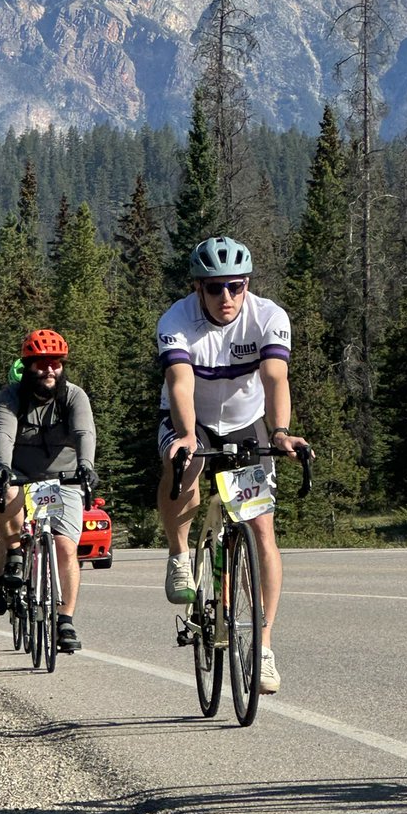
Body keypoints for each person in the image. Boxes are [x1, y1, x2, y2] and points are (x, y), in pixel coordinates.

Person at [155, 235, 312, 695]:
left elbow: (274, 377)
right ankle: (180, 554)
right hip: (190, 419)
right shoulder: (177, 321)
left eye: (236, 287)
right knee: (185, 467)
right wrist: (186, 437)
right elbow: (180, 386)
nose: (227, 298)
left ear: (247, 286)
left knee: (262, 529)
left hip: (246, 424)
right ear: (198, 288)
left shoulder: (268, 317)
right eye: (215, 288)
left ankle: (262, 647)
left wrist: (280, 432)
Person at [0, 329, 98, 653]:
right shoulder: (10, 397)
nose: (49, 370)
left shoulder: (74, 396)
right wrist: (2, 469)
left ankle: (65, 619)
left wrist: (87, 466)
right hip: (21, 474)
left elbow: (84, 432)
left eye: (56, 363)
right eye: (41, 364)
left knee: (65, 547)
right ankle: (14, 552)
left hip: (63, 477)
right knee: (4, 493)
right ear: (28, 366)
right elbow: (4, 436)